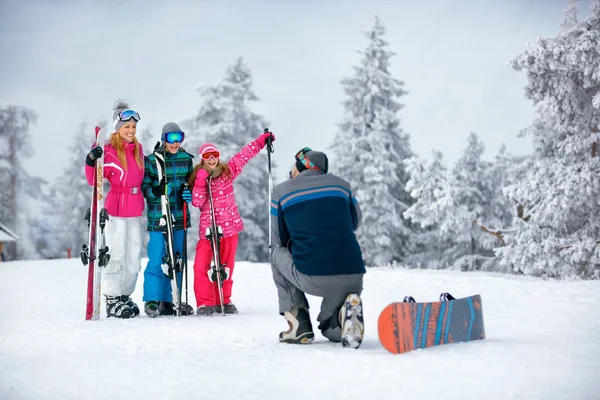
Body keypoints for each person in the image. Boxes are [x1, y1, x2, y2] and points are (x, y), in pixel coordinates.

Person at [269, 148, 366, 348]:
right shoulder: (342, 186)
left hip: (313, 276)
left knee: (276, 253)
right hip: (354, 275)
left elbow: (278, 238)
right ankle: (340, 318)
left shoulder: (281, 191)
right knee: (330, 329)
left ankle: (299, 325)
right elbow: (355, 222)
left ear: (300, 166)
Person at [188, 131, 275, 316]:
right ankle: (205, 302)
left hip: (229, 227)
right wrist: (201, 182)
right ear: (202, 159)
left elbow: (244, 155)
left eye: (215, 156)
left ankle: (223, 300)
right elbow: (196, 202)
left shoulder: (228, 172)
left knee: (226, 265)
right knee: (201, 265)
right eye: (207, 156)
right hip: (208, 230)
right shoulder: (199, 177)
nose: (211, 159)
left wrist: (261, 141)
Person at [84, 102, 145, 319]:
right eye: (126, 126)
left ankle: (124, 295)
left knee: (134, 257)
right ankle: (111, 298)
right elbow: (94, 181)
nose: (130, 131)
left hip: (135, 208)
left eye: (133, 127)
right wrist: (91, 161)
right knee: (116, 254)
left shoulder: (138, 149)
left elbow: (142, 175)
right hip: (116, 209)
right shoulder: (108, 151)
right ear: (117, 128)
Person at [141, 122, 195, 317]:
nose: (175, 143)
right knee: (158, 257)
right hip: (158, 217)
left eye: (179, 138)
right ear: (164, 139)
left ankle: (171, 299)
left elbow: (192, 185)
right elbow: (145, 189)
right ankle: (153, 300)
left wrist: (188, 193)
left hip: (180, 216)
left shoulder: (186, 159)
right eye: (171, 138)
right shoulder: (152, 160)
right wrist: (157, 190)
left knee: (177, 259)